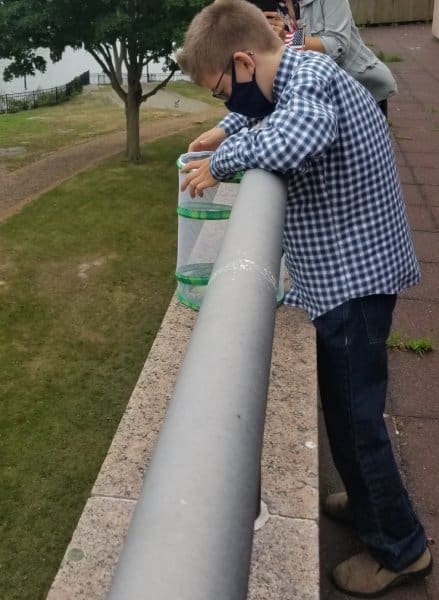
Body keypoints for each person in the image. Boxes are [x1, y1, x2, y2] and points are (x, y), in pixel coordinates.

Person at [177, 0, 432, 597]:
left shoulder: (311, 79)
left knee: (355, 419)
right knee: (347, 408)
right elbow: (268, 108)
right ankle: (368, 496)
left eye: (221, 92)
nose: (226, 103)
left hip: (354, 282)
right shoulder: (288, 70)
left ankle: (401, 548)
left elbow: (297, 135)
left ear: (243, 60)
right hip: (350, 274)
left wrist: (223, 161)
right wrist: (227, 126)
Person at [254, 0, 397, 116]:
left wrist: (288, 38)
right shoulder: (270, 5)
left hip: (358, 91)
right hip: (313, 94)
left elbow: (337, 45)